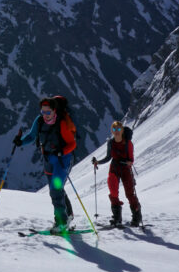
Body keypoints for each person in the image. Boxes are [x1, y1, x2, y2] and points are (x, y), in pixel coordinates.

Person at [14, 95, 77, 233]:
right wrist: (20, 142)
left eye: (48, 112)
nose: (45, 115)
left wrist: (62, 151)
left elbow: (72, 144)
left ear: (54, 111)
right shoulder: (40, 121)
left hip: (63, 161)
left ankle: (61, 222)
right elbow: (31, 136)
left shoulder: (61, 123)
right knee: (56, 190)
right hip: (48, 160)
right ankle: (68, 216)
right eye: (43, 112)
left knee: (55, 189)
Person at [92, 120, 142, 226]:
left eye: (118, 129)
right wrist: (98, 162)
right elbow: (108, 157)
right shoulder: (111, 143)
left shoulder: (128, 143)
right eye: (114, 129)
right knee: (113, 191)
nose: (116, 131)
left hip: (125, 168)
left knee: (129, 194)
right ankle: (117, 217)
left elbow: (131, 159)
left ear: (122, 130)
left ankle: (137, 217)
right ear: (112, 131)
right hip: (114, 167)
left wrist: (130, 162)